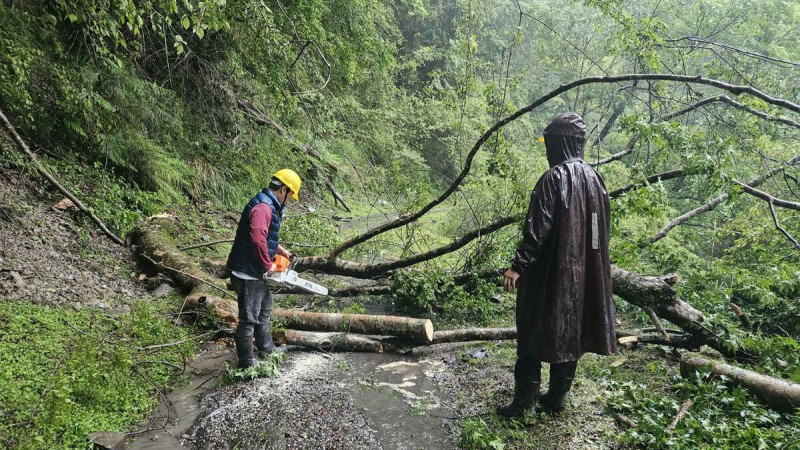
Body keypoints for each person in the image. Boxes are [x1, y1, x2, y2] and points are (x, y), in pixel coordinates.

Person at [498, 112, 617, 417]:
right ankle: (556, 399)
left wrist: (518, 266)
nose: (547, 148)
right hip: (580, 276)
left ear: (560, 142)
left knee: (532, 334)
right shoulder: (595, 179)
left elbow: (537, 229)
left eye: (549, 142)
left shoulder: (553, 178)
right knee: (569, 332)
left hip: (548, 274)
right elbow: (597, 234)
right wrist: (588, 266)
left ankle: (524, 405)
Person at [226, 168, 302, 369]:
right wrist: (268, 265)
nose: (290, 200)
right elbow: (257, 239)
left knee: (265, 310)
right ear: (284, 190)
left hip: (254, 269)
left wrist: (281, 250)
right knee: (249, 318)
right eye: (290, 196)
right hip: (247, 271)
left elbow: (265, 237)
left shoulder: (268, 205)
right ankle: (247, 362)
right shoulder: (263, 207)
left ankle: (267, 349)